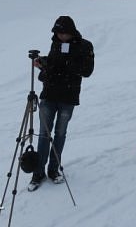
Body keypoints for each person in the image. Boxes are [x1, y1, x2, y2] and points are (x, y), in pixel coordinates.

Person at [28, 16, 95, 191]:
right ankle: (38, 171)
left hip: (68, 97)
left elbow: (87, 71)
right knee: (44, 133)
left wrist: (65, 63)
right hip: (49, 95)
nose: (61, 36)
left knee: (60, 133)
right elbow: (54, 63)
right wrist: (43, 62)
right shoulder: (56, 43)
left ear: (71, 31)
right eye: (58, 33)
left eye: (64, 33)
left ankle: (53, 170)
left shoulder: (85, 46)